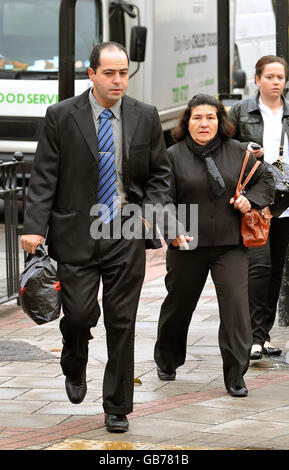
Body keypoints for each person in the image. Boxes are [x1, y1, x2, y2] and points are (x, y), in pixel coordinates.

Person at [20, 41, 170, 433]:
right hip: (76, 233)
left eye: (123, 73)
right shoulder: (61, 116)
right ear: (91, 74)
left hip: (125, 231)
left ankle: (117, 406)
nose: (118, 80)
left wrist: (148, 215)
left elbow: (160, 175)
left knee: (122, 321)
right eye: (110, 73)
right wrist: (34, 226)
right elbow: (43, 176)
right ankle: (75, 355)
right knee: (82, 314)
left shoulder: (146, 116)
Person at [154, 94, 274, 397]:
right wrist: (172, 229)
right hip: (187, 244)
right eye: (197, 117)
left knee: (235, 307)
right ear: (187, 122)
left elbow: (266, 180)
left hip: (230, 243)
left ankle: (236, 374)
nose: (204, 123)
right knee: (178, 307)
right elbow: (163, 199)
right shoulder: (173, 156)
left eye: (210, 117)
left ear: (221, 122)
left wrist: (252, 200)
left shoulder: (239, 153)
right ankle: (167, 359)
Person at [228, 55, 289, 360]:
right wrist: (246, 150)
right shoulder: (241, 111)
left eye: (281, 77)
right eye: (270, 77)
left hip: (285, 200)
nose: (276, 82)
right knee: (257, 268)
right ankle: (252, 336)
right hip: (256, 201)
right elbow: (223, 145)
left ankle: (262, 335)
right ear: (257, 79)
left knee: (276, 269)